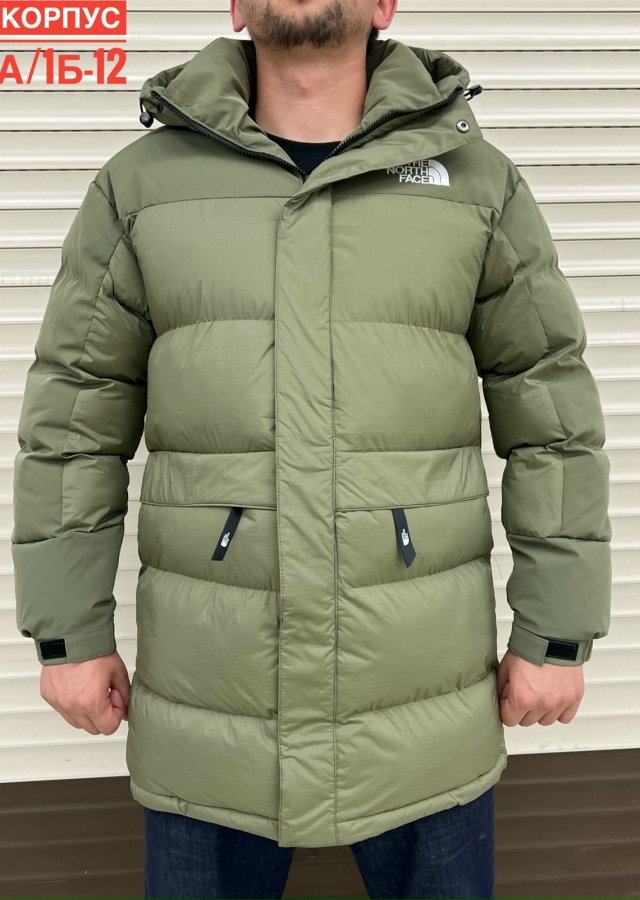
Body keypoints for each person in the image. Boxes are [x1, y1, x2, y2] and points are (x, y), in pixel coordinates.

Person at [11, 0, 612, 897]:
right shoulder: (140, 188)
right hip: (210, 713)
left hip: (425, 706)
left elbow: (551, 417)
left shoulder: (476, 183)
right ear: (235, 5)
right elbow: (74, 422)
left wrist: (556, 631)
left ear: (385, 5)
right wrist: (68, 634)